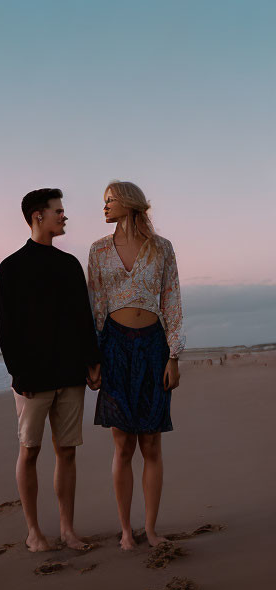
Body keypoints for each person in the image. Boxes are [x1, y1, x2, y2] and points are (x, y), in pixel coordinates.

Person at [0, 188, 102, 552]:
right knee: (30, 450)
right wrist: (18, 373)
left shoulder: (69, 265)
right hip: (32, 379)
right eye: (59, 210)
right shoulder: (11, 267)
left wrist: (92, 361)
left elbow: (82, 319)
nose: (64, 216)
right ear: (37, 215)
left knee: (67, 451)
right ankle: (34, 532)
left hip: (70, 374)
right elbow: (6, 327)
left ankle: (67, 529)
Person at [87, 180, 184, 550]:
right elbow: (96, 307)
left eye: (110, 200)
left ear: (129, 204)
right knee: (123, 445)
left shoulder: (162, 249)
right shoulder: (97, 250)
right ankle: (126, 530)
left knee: (152, 445)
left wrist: (174, 355)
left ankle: (152, 528)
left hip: (153, 347)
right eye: (104, 201)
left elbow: (172, 300)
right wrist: (94, 359)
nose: (105, 207)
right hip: (114, 348)